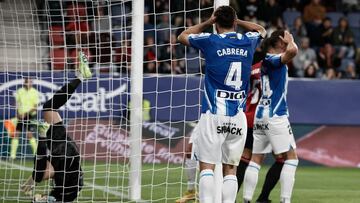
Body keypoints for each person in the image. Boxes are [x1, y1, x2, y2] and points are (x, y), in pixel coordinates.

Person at [178, 5, 266, 203]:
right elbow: (261, 30)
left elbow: (183, 36)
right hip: (238, 117)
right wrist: (239, 21)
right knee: (231, 169)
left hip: (213, 115)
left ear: (216, 22)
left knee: (207, 166)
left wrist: (208, 22)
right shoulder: (247, 40)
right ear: (234, 22)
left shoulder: (210, 40)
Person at [21, 51, 92, 202]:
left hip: (67, 150)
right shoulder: (65, 193)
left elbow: (41, 167)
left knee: (49, 108)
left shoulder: (61, 187)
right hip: (64, 157)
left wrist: (34, 184)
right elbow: (41, 169)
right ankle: (41, 135)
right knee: (39, 172)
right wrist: (40, 197)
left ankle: (80, 77)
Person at [243, 30, 299, 203]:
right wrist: (291, 41)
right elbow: (293, 52)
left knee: (256, 158)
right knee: (292, 159)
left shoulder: (266, 62)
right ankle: (285, 200)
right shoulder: (271, 59)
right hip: (275, 115)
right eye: (284, 42)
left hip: (261, 114)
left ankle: (246, 199)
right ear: (280, 43)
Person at [236, 51, 285, 203]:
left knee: (246, 157)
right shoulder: (273, 67)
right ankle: (263, 197)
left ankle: (232, 198)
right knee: (283, 159)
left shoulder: (252, 69)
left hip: (249, 117)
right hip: (267, 117)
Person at [11, 77, 40, 159]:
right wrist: (18, 113)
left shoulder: (35, 92)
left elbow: (35, 107)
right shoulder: (20, 91)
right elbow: (16, 103)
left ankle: (37, 154)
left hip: (30, 115)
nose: (29, 84)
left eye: (30, 82)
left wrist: (26, 113)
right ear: (24, 83)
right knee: (16, 134)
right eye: (27, 82)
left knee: (29, 135)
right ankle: (12, 156)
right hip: (20, 116)